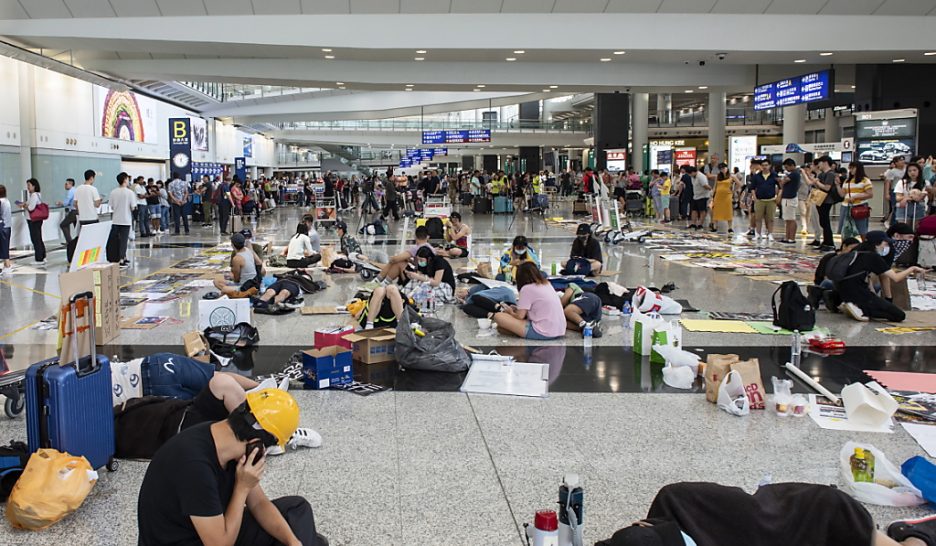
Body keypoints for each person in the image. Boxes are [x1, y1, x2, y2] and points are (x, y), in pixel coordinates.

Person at [137, 389, 326, 546]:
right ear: (256, 443)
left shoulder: (227, 438)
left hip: (207, 530)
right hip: (193, 541)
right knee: (310, 538)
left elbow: (259, 503)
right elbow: (220, 544)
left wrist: (294, 542)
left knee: (296, 511)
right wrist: (242, 488)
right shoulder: (194, 467)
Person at [595, 481, 920, 546]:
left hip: (815, 511)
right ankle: (910, 533)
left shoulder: (676, 501)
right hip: (804, 515)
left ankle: (912, 534)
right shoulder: (674, 500)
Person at [829, 231, 925, 322]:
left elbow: (866, 276)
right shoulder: (873, 257)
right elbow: (896, 278)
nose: (886, 247)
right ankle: (861, 309)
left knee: (876, 303)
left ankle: (844, 303)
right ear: (877, 244)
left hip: (842, 289)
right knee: (899, 315)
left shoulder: (856, 251)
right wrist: (912, 268)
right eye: (885, 244)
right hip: (858, 292)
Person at [491, 262, 566, 340]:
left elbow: (520, 317)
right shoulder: (547, 284)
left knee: (498, 316)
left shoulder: (526, 289)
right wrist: (518, 309)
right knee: (501, 328)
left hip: (543, 331)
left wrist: (510, 312)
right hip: (559, 330)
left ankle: (520, 332)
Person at [214, 233, 264, 299]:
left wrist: (231, 277)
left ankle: (242, 294)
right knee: (220, 281)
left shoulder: (237, 258)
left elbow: (236, 279)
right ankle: (242, 293)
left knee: (220, 285)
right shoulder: (248, 250)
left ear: (232, 245)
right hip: (254, 281)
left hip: (244, 285)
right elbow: (259, 262)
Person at [107, 172, 136, 269]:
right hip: (126, 220)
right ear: (124, 180)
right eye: (127, 179)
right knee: (124, 240)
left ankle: (123, 256)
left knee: (117, 240)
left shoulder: (113, 192)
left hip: (115, 219)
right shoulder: (130, 193)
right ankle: (121, 260)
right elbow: (133, 207)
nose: (128, 181)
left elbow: (111, 206)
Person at [838, 161, 874, 239]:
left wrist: (856, 197)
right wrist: (837, 185)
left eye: (853, 168)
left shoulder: (865, 180)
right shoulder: (847, 180)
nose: (851, 170)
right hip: (846, 207)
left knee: (862, 229)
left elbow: (870, 194)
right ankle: (845, 246)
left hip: (859, 207)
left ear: (859, 168)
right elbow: (842, 194)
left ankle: (864, 246)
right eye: (850, 168)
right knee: (845, 228)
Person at [810, 156, 839, 251]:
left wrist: (817, 183)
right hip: (820, 199)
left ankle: (829, 243)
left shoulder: (830, 174)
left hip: (826, 200)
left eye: (820, 163)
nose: (819, 165)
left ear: (825, 162)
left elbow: (827, 188)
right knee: (822, 221)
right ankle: (826, 241)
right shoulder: (822, 174)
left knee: (825, 221)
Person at [749, 160, 779, 241]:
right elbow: (752, 187)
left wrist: (777, 196)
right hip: (760, 200)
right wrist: (754, 197)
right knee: (758, 218)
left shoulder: (774, 175)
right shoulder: (757, 176)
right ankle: (758, 233)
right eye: (763, 165)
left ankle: (770, 234)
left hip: (771, 200)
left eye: (766, 165)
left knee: (770, 218)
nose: (765, 167)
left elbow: (779, 185)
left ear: (769, 166)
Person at [895, 162, 929, 230]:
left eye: (914, 170)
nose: (912, 172)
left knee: (915, 229)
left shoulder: (925, 183)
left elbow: (919, 198)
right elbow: (898, 198)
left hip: (918, 208)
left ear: (919, 171)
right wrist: (908, 198)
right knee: (903, 229)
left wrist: (907, 198)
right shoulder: (902, 182)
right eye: (909, 171)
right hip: (903, 208)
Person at [19, 178, 46, 266]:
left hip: (33, 220)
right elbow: (29, 204)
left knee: (35, 239)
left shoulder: (34, 195)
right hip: (38, 220)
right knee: (38, 238)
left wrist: (25, 206)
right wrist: (25, 204)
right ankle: (42, 256)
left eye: (29, 185)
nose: (28, 187)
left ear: (34, 186)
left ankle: (39, 259)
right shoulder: (37, 194)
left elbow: (31, 208)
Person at [778, 158, 801, 244]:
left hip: (790, 198)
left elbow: (783, 182)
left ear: (792, 165)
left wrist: (781, 180)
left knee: (791, 219)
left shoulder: (794, 174)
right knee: (787, 219)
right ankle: (787, 237)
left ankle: (791, 238)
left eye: (787, 167)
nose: (786, 169)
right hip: (787, 198)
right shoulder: (793, 174)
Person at [711, 164, 734, 234]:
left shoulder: (731, 176)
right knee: (716, 210)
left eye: (724, 168)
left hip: (727, 196)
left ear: (727, 168)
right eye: (721, 169)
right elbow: (715, 186)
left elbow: (739, 184)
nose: (723, 170)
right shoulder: (718, 176)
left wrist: (733, 191)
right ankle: (715, 226)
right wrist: (712, 194)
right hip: (718, 196)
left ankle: (730, 227)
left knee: (728, 210)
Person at [688, 166, 711, 231]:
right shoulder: (693, 177)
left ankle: (700, 224)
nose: (689, 175)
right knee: (694, 210)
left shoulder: (701, 176)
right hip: (696, 196)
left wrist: (711, 190)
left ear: (693, 172)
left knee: (702, 210)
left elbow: (705, 186)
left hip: (703, 196)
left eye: (690, 174)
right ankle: (693, 223)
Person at [58, 178, 78, 246]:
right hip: (77, 211)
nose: (65, 185)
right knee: (77, 227)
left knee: (63, 225)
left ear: (70, 184)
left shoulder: (71, 191)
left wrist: (61, 203)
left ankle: (70, 243)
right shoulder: (76, 190)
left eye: (66, 184)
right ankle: (78, 242)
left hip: (73, 211)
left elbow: (66, 202)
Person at [0, 184, 12, 274]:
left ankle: (7, 266)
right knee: (5, 246)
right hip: (7, 226)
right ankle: (6, 265)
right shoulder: (6, 201)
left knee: (3, 247)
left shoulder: (1, 202)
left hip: (2, 227)